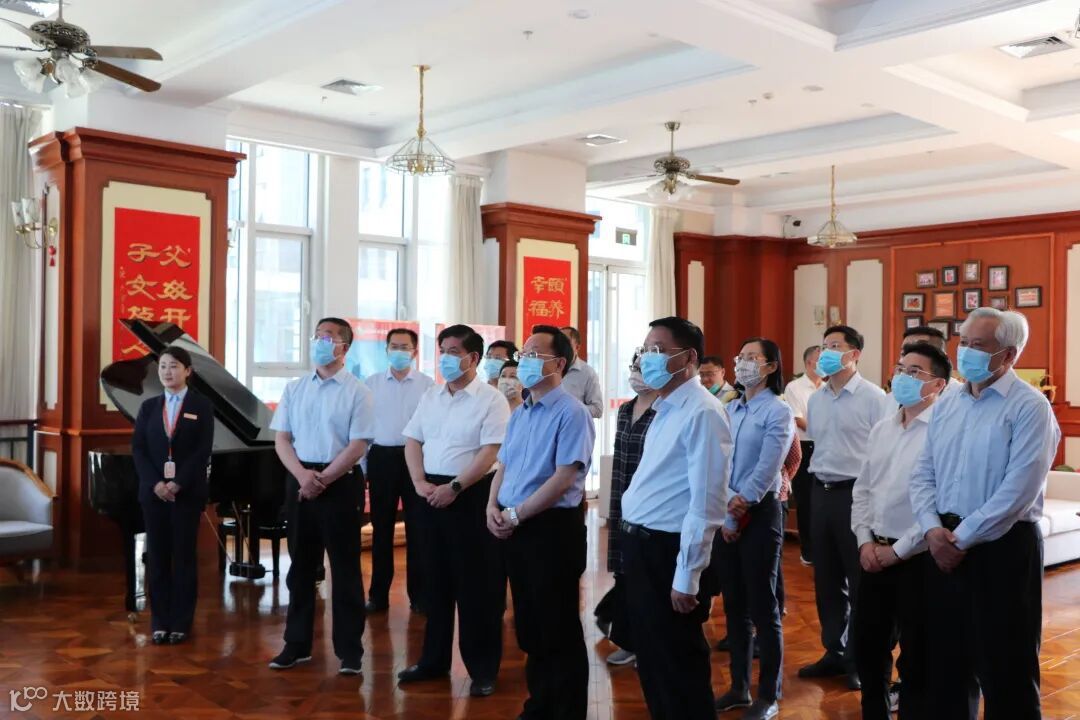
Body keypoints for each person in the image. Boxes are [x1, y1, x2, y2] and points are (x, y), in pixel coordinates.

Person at [909, 308, 1060, 720]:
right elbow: (923, 473)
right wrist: (933, 530)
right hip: (942, 545)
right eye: (963, 342)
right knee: (947, 668)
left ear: (1008, 355)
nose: (966, 353)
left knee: (1007, 671)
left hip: (1002, 548)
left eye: (979, 346)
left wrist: (959, 540)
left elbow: (1017, 492)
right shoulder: (949, 402)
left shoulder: (1030, 407)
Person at [620, 316, 732, 720]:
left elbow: (707, 502)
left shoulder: (703, 411)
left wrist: (687, 576)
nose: (647, 358)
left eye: (658, 350)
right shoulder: (664, 407)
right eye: (645, 349)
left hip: (667, 552)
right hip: (641, 546)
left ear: (688, 358)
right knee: (653, 661)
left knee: (678, 664)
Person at [487, 325, 596, 720]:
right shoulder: (521, 412)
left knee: (558, 625)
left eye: (534, 355)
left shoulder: (573, 413)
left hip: (552, 529)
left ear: (559, 363)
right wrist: (491, 506)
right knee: (530, 624)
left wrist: (516, 513)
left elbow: (564, 477)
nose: (524, 362)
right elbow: (504, 465)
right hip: (515, 527)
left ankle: (567, 711)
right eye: (524, 355)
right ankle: (540, 704)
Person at [398, 324, 510, 698]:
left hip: (471, 495)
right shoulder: (432, 395)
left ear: (473, 358)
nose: (445, 358)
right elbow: (412, 439)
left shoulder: (491, 400)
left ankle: (482, 668)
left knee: (476, 586)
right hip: (430, 492)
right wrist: (418, 482)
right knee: (435, 581)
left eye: (453, 352)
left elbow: (491, 452)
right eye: (442, 350)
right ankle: (433, 660)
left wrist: (456, 487)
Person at [269, 318, 374, 675]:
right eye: (317, 336)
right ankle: (296, 645)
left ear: (345, 347)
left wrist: (324, 478)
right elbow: (282, 439)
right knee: (300, 567)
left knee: (344, 569)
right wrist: (303, 476)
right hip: (301, 481)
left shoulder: (358, 391)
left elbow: (358, 444)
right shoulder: (295, 388)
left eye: (328, 337)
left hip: (340, 483)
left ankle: (350, 651)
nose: (320, 342)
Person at [851, 342, 949, 720]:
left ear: (938, 385)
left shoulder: (943, 432)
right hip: (873, 554)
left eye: (914, 372)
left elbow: (939, 503)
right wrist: (864, 541)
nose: (902, 377)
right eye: (900, 368)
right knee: (867, 646)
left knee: (917, 654)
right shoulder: (882, 428)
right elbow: (863, 489)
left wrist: (898, 551)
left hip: (918, 558)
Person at [799, 325, 890, 691]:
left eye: (835, 346)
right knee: (826, 578)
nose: (826, 352)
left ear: (854, 354)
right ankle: (833, 651)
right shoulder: (817, 399)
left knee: (859, 581)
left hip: (856, 494)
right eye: (824, 346)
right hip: (820, 491)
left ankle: (858, 658)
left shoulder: (875, 398)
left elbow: (884, 453)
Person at [713, 338, 793, 720]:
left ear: (771, 366)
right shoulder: (730, 408)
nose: (742, 363)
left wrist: (739, 506)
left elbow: (767, 468)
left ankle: (768, 694)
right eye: (740, 357)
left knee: (763, 607)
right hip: (727, 511)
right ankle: (738, 687)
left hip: (759, 513)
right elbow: (720, 461)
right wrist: (727, 509)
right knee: (734, 604)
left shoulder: (778, 410)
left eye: (751, 358)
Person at [131, 345, 215, 646]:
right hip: (153, 494)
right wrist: (156, 484)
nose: (167, 372)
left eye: (174, 366)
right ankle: (159, 621)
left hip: (186, 493)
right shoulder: (149, 407)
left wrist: (178, 483)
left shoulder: (201, 405)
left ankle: (181, 621)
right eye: (163, 366)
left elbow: (202, 450)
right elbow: (139, 449)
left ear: (187, 371)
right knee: (157, 557)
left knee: (183, 557)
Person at [364, 327, 434, 614]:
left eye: (405, 347)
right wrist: (364, 466)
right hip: (382, 458)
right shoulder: (371, 383)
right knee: (381, 529)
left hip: (416, 459)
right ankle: (378, 595)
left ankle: (420, 596)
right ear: (386, 350)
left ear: (415, 352)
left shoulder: (428, 385)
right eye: (394, 346)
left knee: (418, 530)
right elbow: (364, 429)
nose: (399, 351)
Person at [595, 351, 657, 667]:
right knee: (624, 573)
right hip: (623, 501)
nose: (636, 373)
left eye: (643, 368)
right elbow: (620, 459)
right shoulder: (625, 410)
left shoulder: (664, 411)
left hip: (651, 506)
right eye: (634, 367)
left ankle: (648, 645)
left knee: (647, 580)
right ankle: (628, 640)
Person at [783, 345, 822, 565]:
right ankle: (808, 551)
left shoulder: (826, 387)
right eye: (820, 358)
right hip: (805, 447)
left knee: (822, 502)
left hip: (825, 446)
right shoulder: (795, 387)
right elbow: (798, 419)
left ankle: (823, 549)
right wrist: (824, 431)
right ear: (809, 362)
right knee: (806, 501)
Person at [899, 326, 964, 396]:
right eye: (904, 353)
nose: (909, 357)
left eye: (918, 351)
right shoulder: (895, 393)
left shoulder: (960, 395)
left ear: (942, 356)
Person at [559, 326, 603, 418]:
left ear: (577, 347)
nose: (561, 347)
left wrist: (572, 409)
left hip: (575, 425)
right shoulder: (549, 368)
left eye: (566, 342)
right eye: (559, 342)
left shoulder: (588, 373)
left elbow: (598, 410)